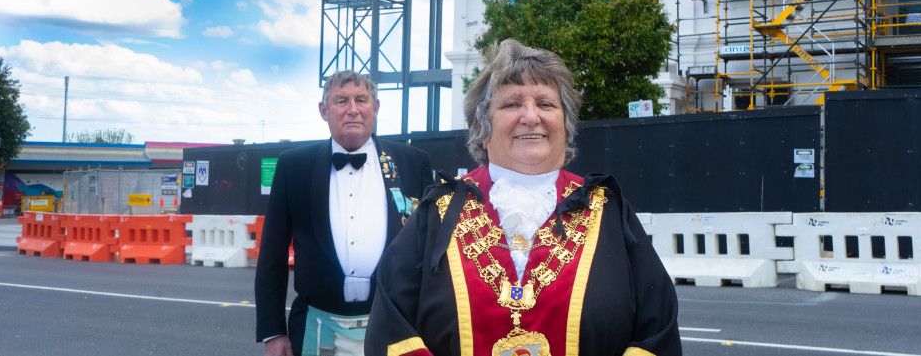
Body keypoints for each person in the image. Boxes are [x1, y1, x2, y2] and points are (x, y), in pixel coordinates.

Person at [365, 40, 681, 356]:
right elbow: (391, 328)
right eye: (512, 104)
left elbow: (656, 331)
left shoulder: (608, 211)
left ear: (566, 124)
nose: (530, 117)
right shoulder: (438, 212)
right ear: (481, 126)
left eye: (545, 104)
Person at [255, 70, 435, 356]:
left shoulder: (412, 162)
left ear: (375, 108)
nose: (353, 110)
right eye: (341, 101)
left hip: (395, 327)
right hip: (317, 326)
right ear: (324, 110)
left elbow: (430, 252)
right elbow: (272, 255)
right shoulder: (294, 166)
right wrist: (273, 331)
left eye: (361, 99)